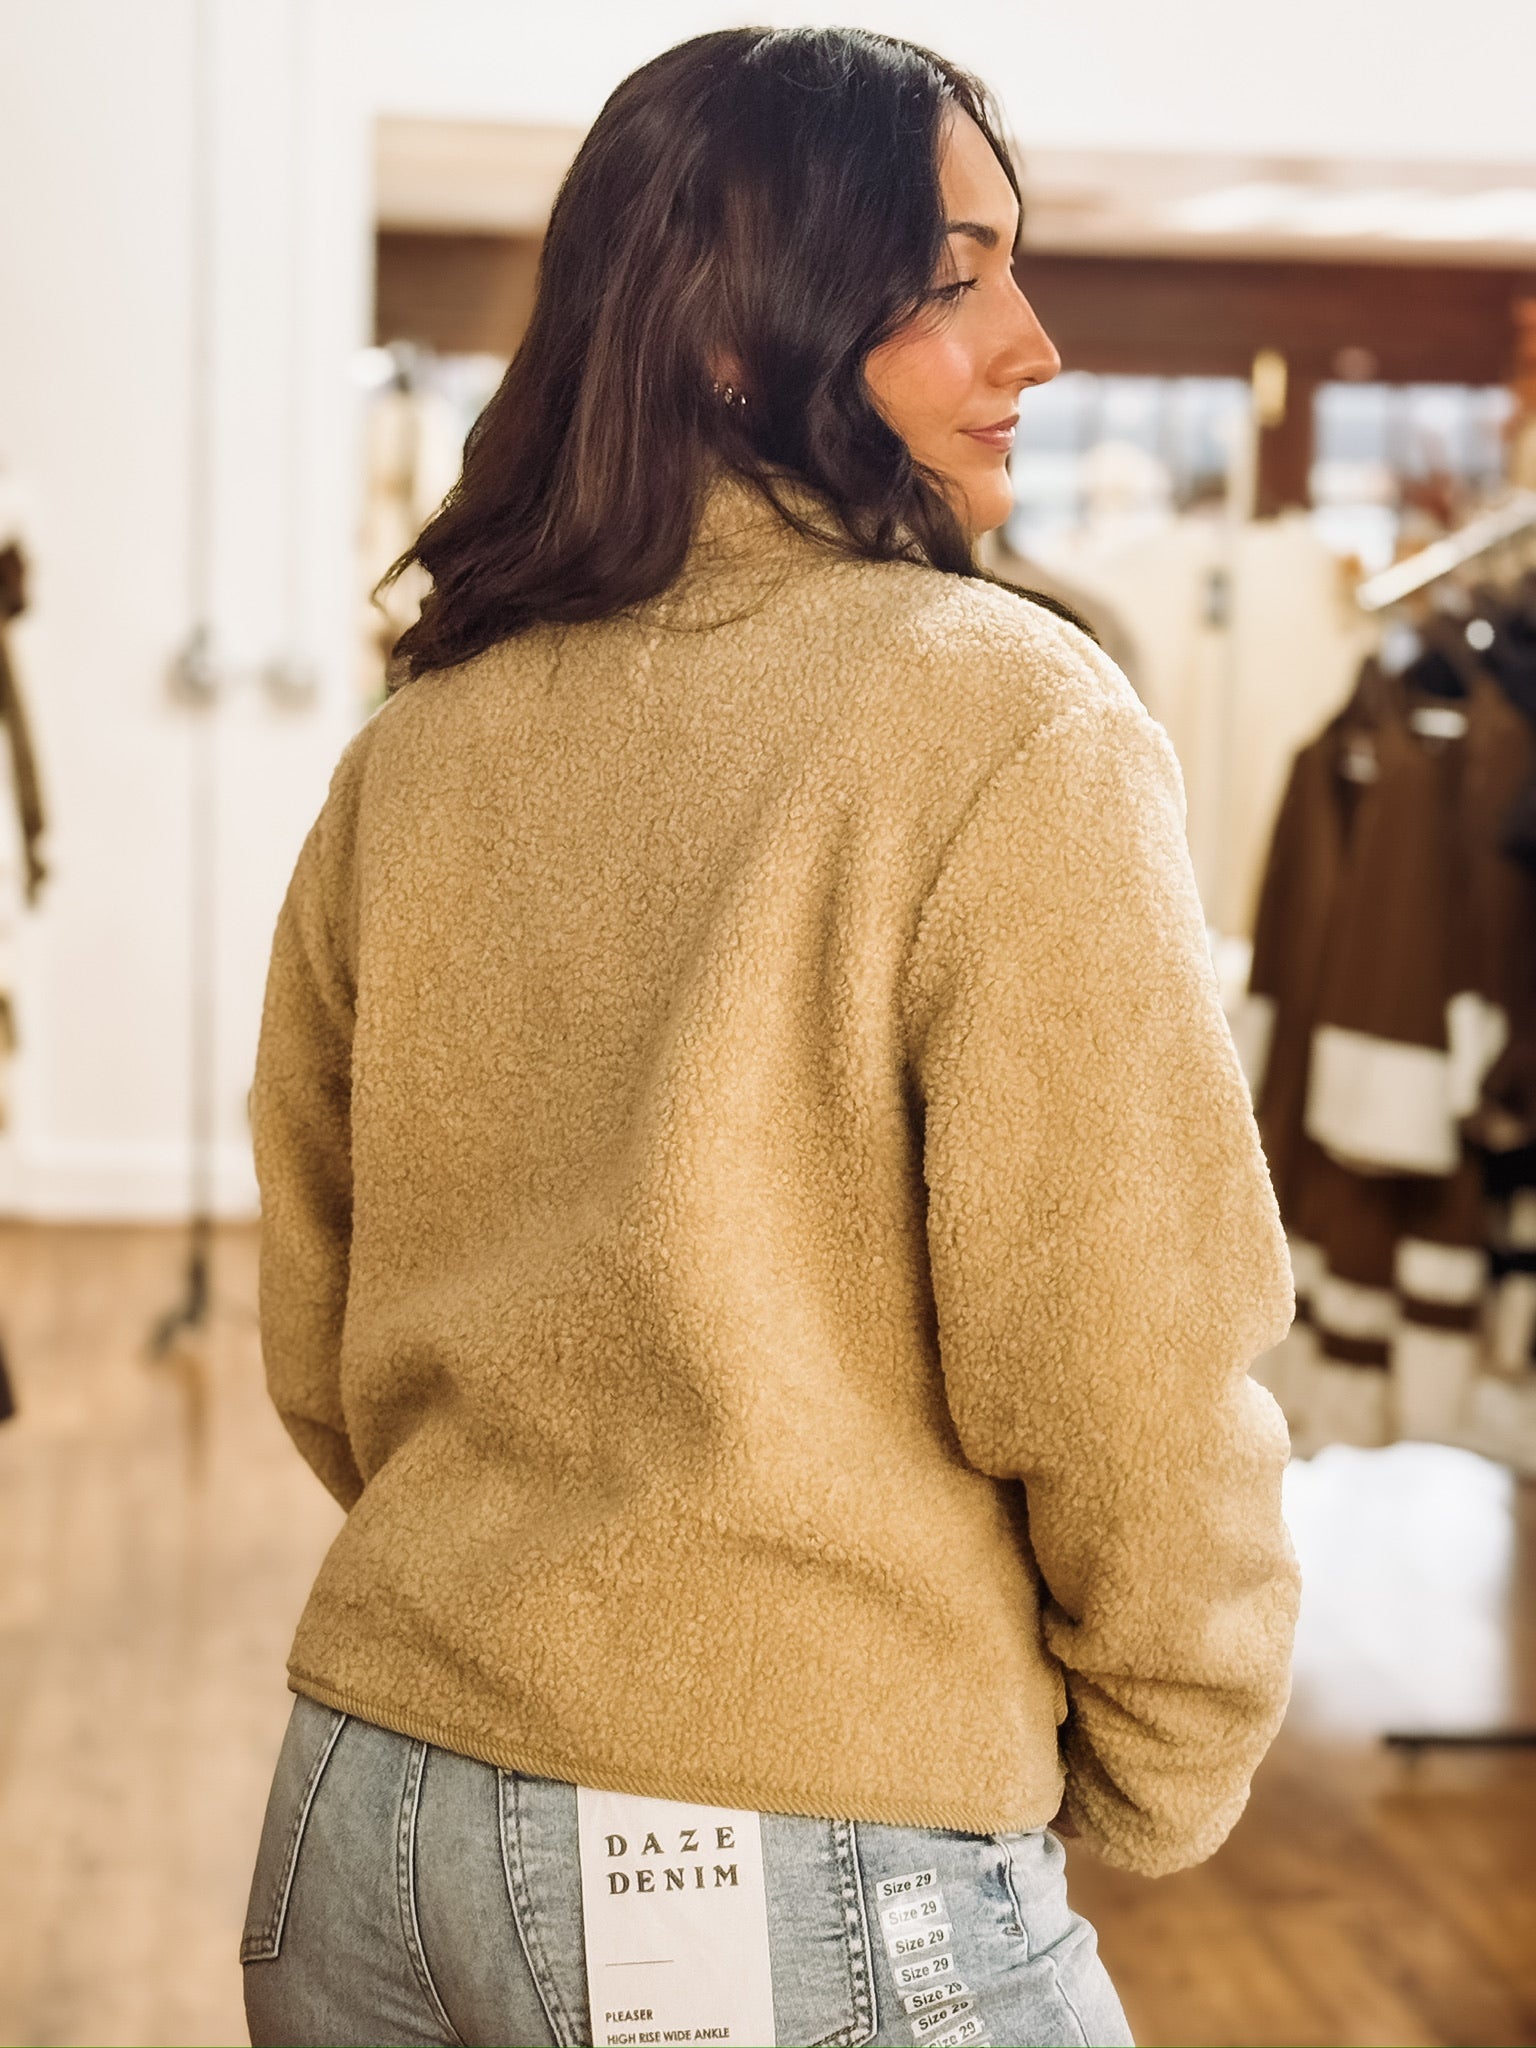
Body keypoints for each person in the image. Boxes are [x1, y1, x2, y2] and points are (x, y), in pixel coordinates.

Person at [243, 27, 1299, 2048]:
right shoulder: (1007, 713)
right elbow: (1123, 1343)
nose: (1036, 343)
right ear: (740, 334)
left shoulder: (429, 735)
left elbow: (318, 1307)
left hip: (357, 1806)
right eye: (958, 272)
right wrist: (1167, 1755)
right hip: (775, 1826)